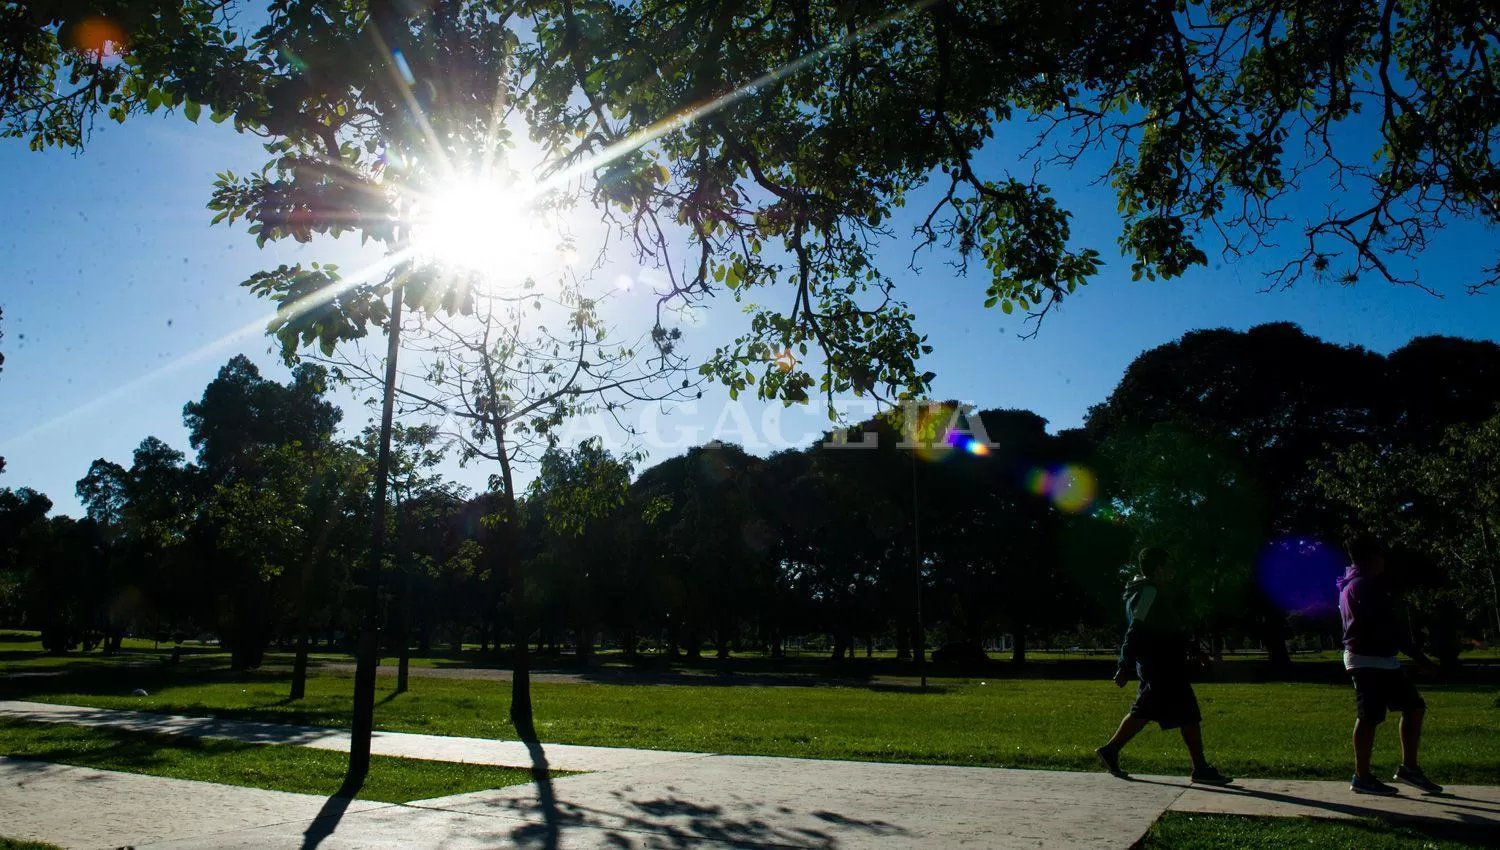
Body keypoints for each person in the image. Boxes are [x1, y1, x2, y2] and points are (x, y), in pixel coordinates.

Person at [1095, 546, 1230, 785]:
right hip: (1161, 666)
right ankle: (1199, 768)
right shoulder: (1148, 593)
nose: (1172, 571)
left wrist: (1196, 652)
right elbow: (1135, 630)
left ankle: (1111, 751)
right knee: (1178, 713)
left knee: (1157, 711)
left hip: (1162, 664)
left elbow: (1171, 630)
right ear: (1158, 569)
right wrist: (1124, 664)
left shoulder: (1149, 592)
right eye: (1168, 566)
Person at [1339, 538, 1443, 795]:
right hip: (1366, 660)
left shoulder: (1357, 584)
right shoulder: (1363, 586)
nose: (1384, 560)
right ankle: (1362, 777)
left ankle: (1409, 769)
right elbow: (1389, 629)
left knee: (1414, 707)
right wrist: (1422, 660)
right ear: (1371, 558)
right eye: (1381, 555)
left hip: (1382, 660)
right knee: (1369, 716)